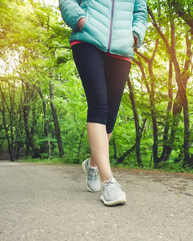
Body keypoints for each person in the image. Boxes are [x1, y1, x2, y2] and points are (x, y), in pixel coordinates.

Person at [59, 0, 147, 206]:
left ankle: (92, 164)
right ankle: (109, 182)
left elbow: (141, 11)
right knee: (98, 105)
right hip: (88, 39)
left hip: (122, 48)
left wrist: (134, 37)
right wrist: (81, 21)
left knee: (110, 119)